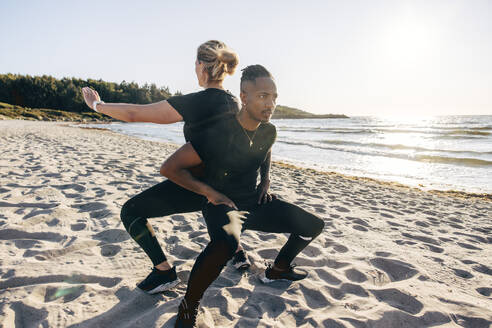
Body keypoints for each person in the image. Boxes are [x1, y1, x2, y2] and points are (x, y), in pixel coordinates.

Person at [81, 40, 273, 294]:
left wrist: (97, 105)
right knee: (214, 208)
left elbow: (135, 114)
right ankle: (236, 250)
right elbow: (262, 139)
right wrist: (265, 180)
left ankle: (163, 271)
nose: (194, 68)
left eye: (195, 63)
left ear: (203, 66)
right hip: (231, 187)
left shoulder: (199, 101)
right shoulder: (237, 103)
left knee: (131, 212)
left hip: (199, 186)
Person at [159, 65, 325, 327]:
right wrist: (210, 193)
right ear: (244, 97)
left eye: (273, 97)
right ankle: (188, 306)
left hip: (254, 201)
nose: (270, 103)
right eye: (262, 96)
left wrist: (266, 180)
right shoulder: (218, 133)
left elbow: (265, 150)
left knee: (313, 225)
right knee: (224, 245)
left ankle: (278, 269)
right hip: (223, 205)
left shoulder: (269, 130)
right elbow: (169, 168)